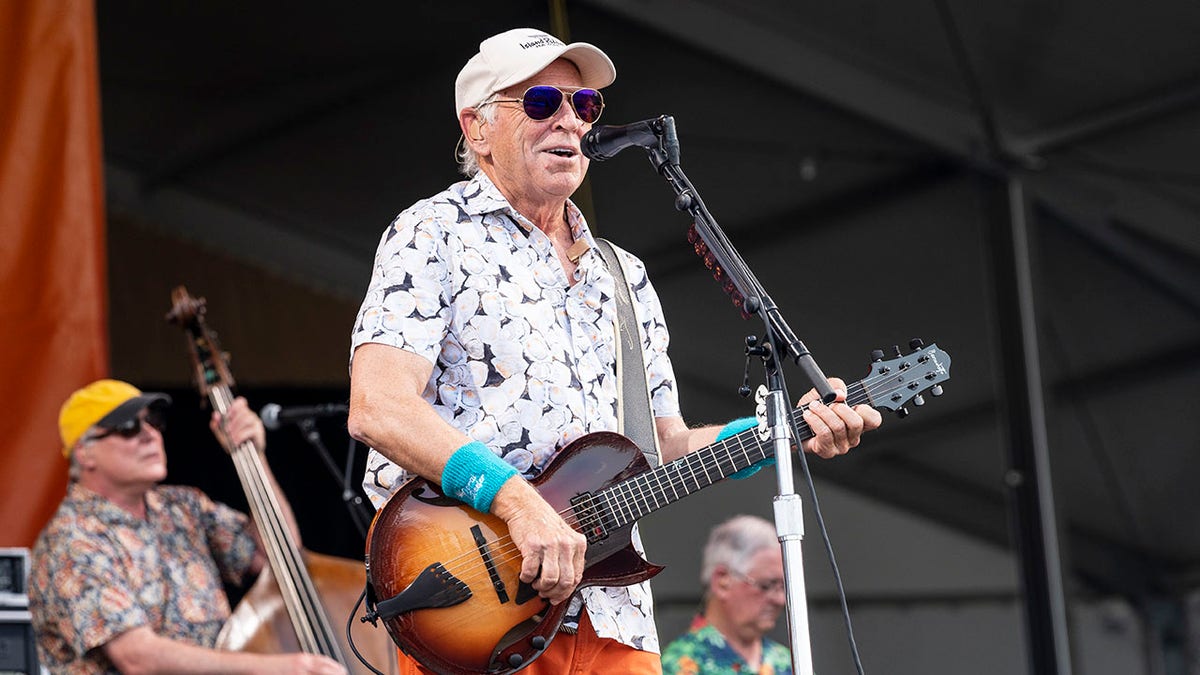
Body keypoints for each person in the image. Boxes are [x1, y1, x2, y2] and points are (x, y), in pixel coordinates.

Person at [347, 27, 882, 674]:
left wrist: (783, 432)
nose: (570, 120)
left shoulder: (622, 275)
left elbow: (665, 446)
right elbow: (378, 406)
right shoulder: (431, 232)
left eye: (586, 106)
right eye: (542, 102)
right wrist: (517, 501)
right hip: (478, 610)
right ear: (478, 128)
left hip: (614, 615)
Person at [28, 378, 346, 675]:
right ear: (85, 453)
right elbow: (137, 657)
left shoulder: (183, 506)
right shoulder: (71, 540)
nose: (150, 434)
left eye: (153, 422)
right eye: (127, 427)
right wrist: (271, 668)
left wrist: (253, 455)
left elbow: (282, 556)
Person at [661, 515, 793, 675]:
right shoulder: (678, 665)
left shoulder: (788, 662)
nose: (780, 599)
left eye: (782, 587)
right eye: (766, 585)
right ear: (723, 581)